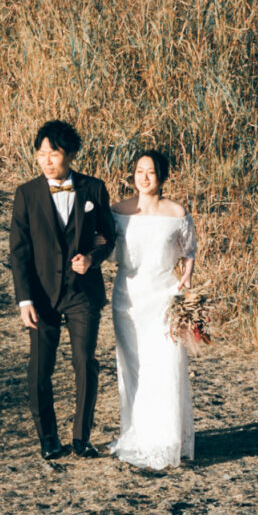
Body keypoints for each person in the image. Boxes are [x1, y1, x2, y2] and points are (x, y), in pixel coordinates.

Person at [8, 119, 116, 465]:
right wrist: (24, 299)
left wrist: (93, 258)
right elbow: (19, 251)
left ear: (69, 154)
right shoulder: (26, 194)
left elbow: (109, 238)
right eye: (41, 154)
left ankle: (81, 438)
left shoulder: (94, 189)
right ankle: (49, 438)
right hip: (41, 296)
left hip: (83, 292)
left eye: (52, 153)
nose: (46, 160)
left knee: (85, 362)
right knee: (40, 368)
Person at [109, 145, 197, 473]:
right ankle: (137, 435)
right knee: (133, 369)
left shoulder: (176, 212)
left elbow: (189, 248)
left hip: (163, 298)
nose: (144, 178)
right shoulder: (118, 210)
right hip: (127, 298)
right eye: (139, 171)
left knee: (165, 367)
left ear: (162, 178)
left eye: (151, 172)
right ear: (133, 175)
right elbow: (104, 246)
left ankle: (165, 440)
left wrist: (186, 275)